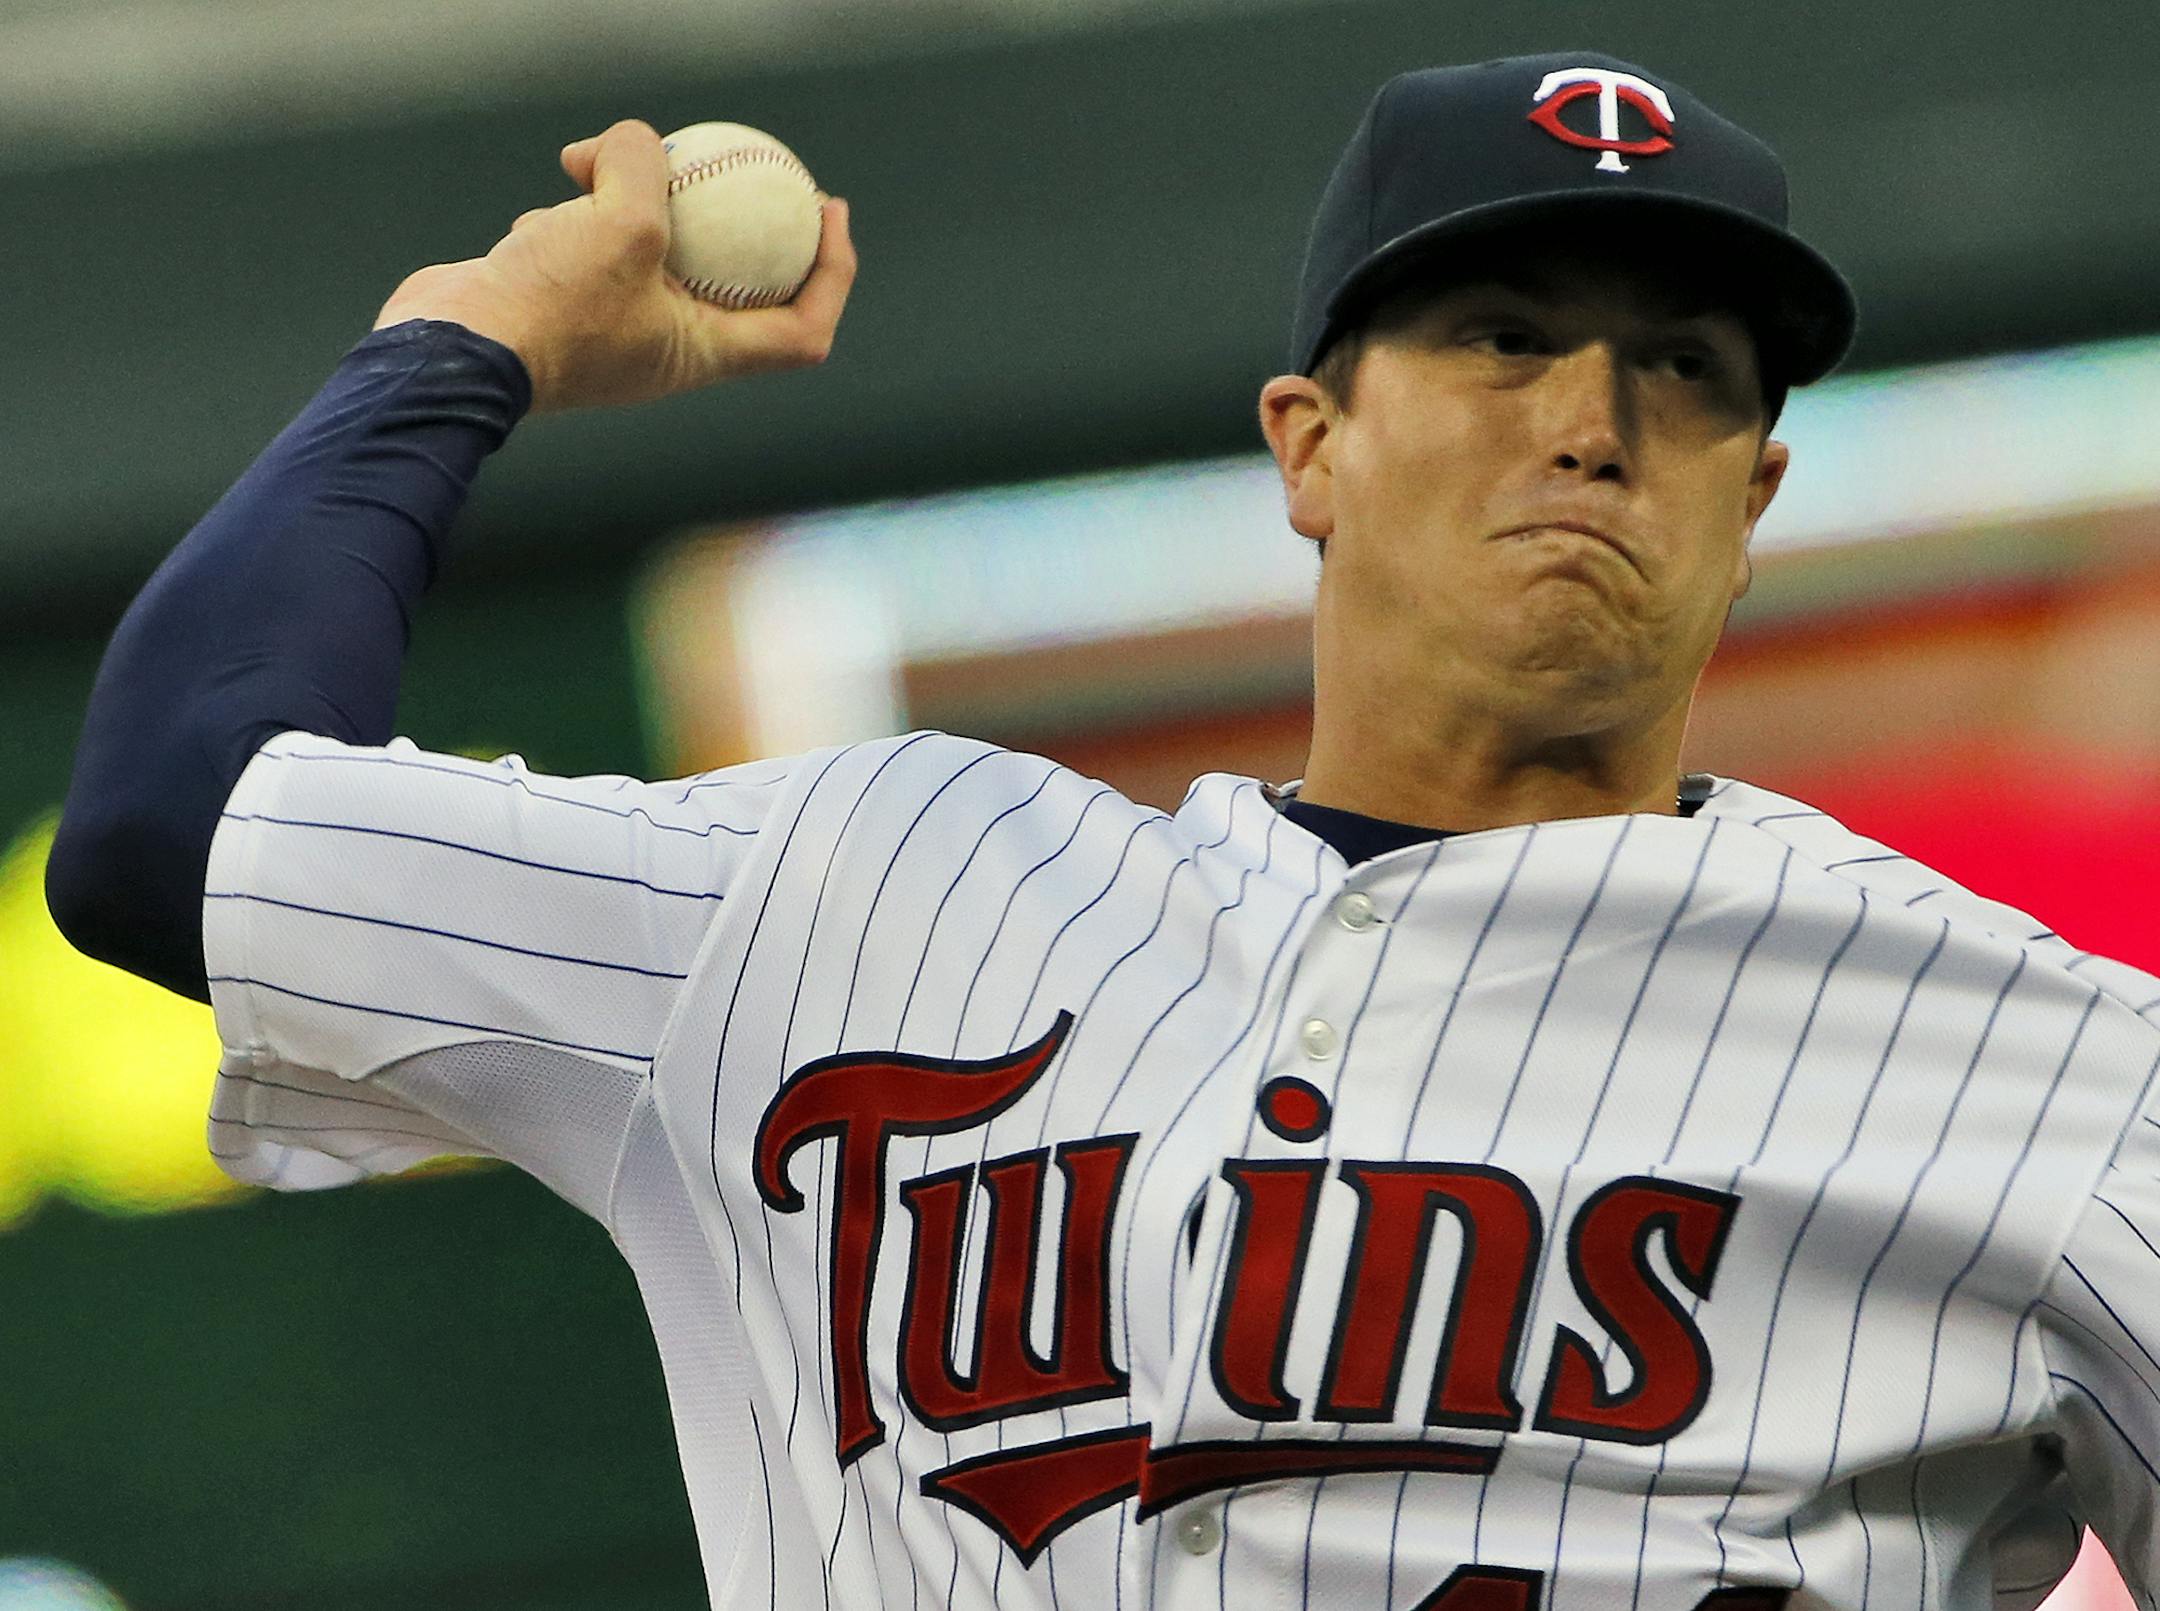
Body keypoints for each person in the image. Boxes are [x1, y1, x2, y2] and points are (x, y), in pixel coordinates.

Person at [45, 50, 2160, 1611]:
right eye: (1505, 337)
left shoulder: (2034, 1060)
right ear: (1308, 447)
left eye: (1685, 368)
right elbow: (171, 822)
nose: (1595, 421)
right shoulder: (854, 889)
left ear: (1755, 496)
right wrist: (473, 331)